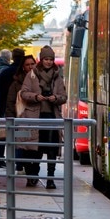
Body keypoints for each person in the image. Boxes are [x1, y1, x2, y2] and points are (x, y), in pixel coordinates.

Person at [19, 45, 67, 189]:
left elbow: (64, 96)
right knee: (36, 149)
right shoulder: (32, 74)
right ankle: (34, 174)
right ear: (41, 59)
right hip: (35, 117)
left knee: (52, 150)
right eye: (46, 59)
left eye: (51, 59)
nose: (49, 62)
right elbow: (23, 93)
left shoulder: (57, 76)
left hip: (52, 116)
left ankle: (50, 179)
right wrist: (36, 97)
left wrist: (55, 98)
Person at [4, 54, 36, 178]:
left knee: (34, 148)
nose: (30, 67)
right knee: (22, 144)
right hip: (21, 118)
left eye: (32, 64)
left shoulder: (41, 80)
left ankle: (32, 171)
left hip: (36, 119)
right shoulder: (17, 83)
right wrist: (12, 118)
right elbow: (10, 101)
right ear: (23, 67)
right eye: (27, 65)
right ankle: (21, 166)